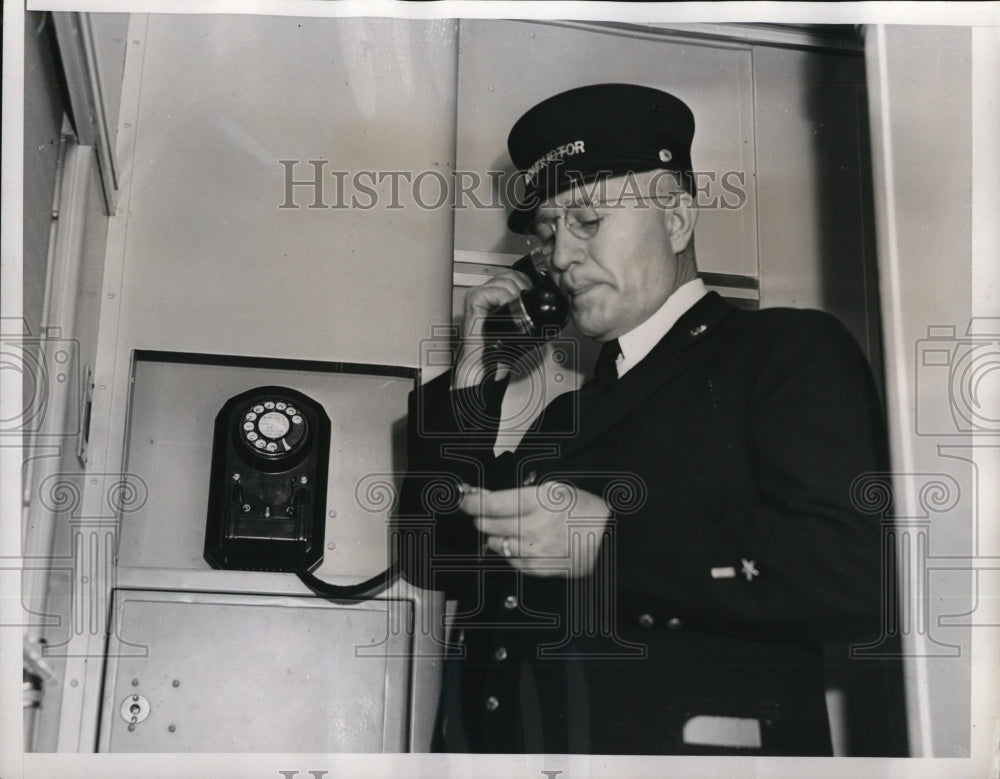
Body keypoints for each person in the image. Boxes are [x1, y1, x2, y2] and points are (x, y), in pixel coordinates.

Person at [399, 83, 888, 755]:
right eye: (547, 235)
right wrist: (470, 378)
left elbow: (855, 571)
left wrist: (612, 543)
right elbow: (435, 553)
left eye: (588, 221)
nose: (561, 258)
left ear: (677, 219)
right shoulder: (566, 418)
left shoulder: (781, 352)